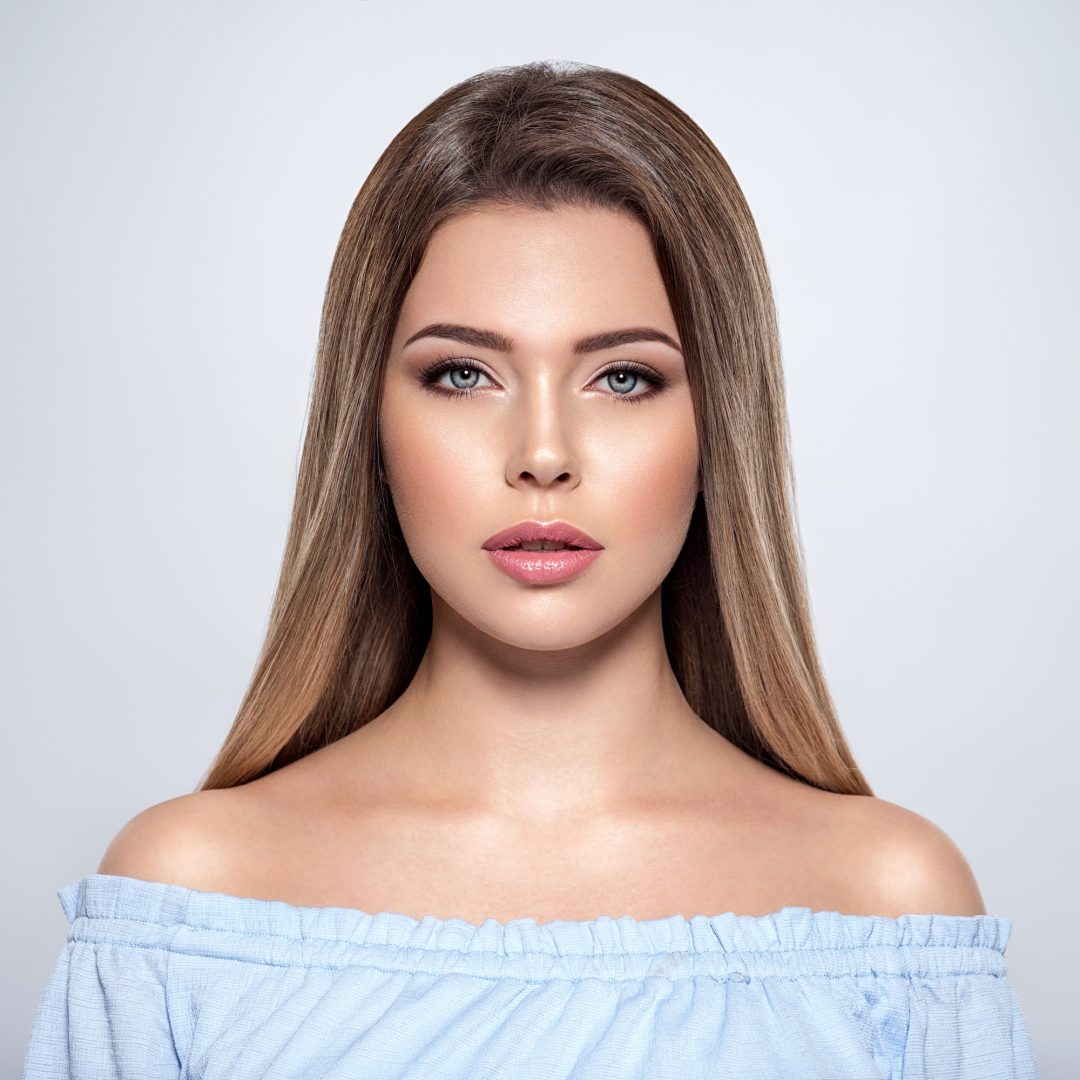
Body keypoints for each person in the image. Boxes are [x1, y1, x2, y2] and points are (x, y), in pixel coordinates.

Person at [22, 60, 1040, 1079]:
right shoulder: (187, 903)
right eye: (462, 374)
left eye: (624, 377)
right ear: (369, 423)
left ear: (718, 426)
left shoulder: (891, 912)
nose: (544, 452)